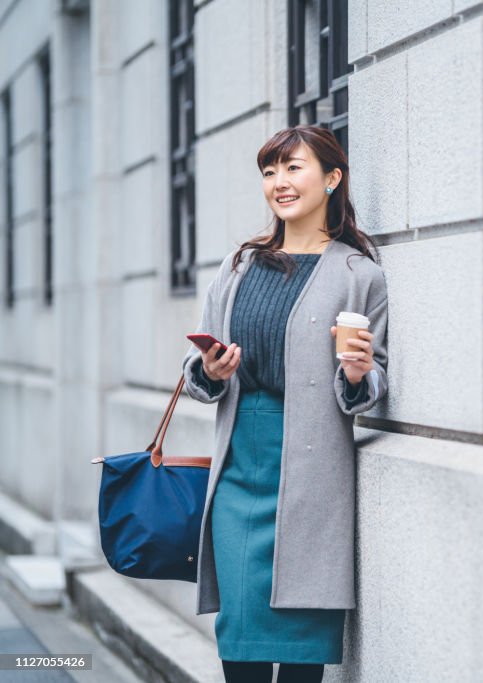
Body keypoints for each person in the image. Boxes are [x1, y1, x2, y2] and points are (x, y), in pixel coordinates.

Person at [180, 125, 389, 683]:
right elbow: (196, 373)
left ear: (332, 178)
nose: (280, 183)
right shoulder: (239, 266)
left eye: (293, 168)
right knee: (241, 643)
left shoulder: (358, 275)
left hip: (313, 475)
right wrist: (210, 369)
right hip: (240, 471)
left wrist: (356, 373)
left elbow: (372, 386)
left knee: (300, 651)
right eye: (270, 172)